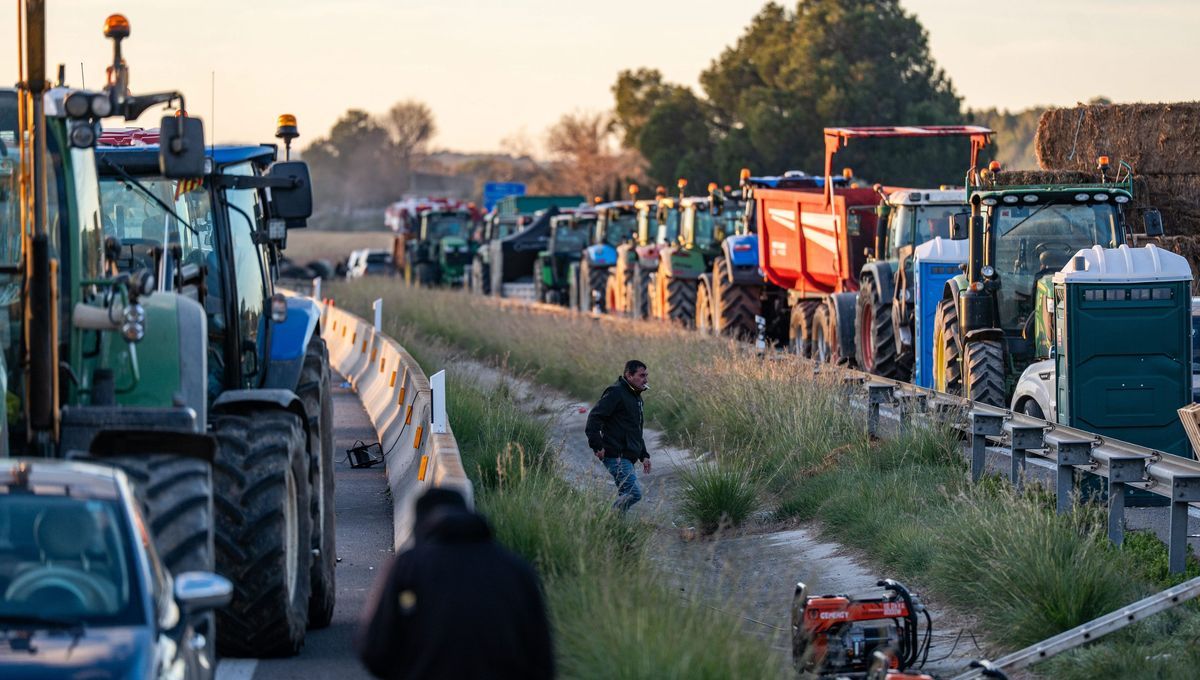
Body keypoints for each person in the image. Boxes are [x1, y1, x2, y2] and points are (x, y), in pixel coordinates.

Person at [356, 488, 554, 680]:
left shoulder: (408, 567)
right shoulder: (517, 570)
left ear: (419, 526)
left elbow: (374, 650)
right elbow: (542, 661)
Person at [585, 360, 651, 512]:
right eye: (641, 376)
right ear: (629, 375)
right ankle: (608, 520)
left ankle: (614, 528)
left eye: (646, 376)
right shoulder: (616, 392)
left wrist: (644, 455)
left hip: (628, 456)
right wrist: (597, 445)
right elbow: (594, 417)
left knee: (625, 495)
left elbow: (634, 430)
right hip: (616, 455)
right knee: (634, 493)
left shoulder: (636, 396)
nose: (646, 380)